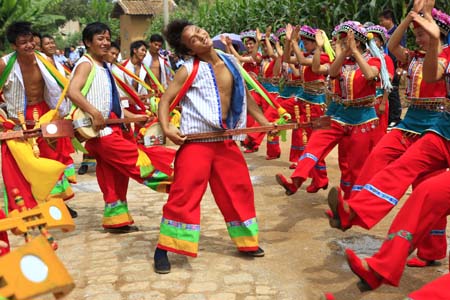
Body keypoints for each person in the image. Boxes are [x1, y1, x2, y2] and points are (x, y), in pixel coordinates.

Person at [326, 2, 450, 267]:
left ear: (439, 30)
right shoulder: (415, 55)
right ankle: (355, 209)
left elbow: (432, 76)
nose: (418, 37)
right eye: (415, 33)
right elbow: (392, 47)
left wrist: (434, 37)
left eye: (422, 32)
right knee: (380, 156)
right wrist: (408, 20)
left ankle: (430, 252)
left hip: (435, 126)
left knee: (425, 190)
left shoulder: (445, 55)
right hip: (412, 122)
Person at [153, 19, 274, 274]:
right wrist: (167, 128)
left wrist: (263, 121)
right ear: (189, 50)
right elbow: (164, 102)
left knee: (239, 189)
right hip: (197, 143)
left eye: (199, 31)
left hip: (225, 141)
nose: (201, 36)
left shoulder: (229, 60)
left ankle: (246, 242)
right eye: (193, 39)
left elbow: (246, 96)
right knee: (184, 195)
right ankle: (164, 247)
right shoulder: (187, 70)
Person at [67, 22, 176, 233]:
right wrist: (94, 113)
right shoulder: (86, 64)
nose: (106, 43)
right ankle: (177, 180)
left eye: (107, 38)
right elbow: (73, 91)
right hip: (101, 134)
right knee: (138, 160)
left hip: (112, 128)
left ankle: (117, 220)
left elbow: (112, 105)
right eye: (100, 39)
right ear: (88, 43)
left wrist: (134, 117)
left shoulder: (106, 67)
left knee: (113, 177)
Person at [276, 21, 382, 196]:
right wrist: (339, 52)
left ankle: (350, 201)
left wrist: (354, 51)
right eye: (339, 41)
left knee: (350, 164)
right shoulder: (341, 61)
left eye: (343, 41)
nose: (339, 44)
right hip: (339, 115)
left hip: (362, 118)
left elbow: (370, 74)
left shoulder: (374, 59)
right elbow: (332, 72)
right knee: (315, 142)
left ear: (358, 42)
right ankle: (297, 180)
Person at [0, 21, 74, 212]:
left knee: (52, 157)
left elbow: (61, 86)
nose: (29, 45)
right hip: (17, 118)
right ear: (14, 46)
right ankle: (30, 206)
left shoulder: (45, 60)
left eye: (31, 40)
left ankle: (56, 204)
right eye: (23, 42)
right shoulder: (4, 64)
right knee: (24, 162)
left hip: (45, 113)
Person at [379, 9, 406, 128]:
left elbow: (402, 49)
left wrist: (399, 66)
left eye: (382, 20)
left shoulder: (398, 31)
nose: (380, 23)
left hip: (395, 65)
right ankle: (391, 117)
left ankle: (396, 118)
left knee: (394, 91)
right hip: (386, 65)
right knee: (388, 91)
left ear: (389, 19)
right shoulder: (384, 33)